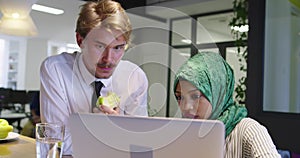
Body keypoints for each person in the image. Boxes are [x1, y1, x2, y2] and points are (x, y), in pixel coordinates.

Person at [39, 0, 148, 156]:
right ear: (80, 40)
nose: (109, 59)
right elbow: (54, 141)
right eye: (100, 46)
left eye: (118, 48)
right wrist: (113, 134)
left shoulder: (135, 78)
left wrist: (120, 130)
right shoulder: (56, 69)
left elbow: (141, 142)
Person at [173, 51, 281, 157]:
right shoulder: (183, 133)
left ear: (218, 93)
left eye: (195, 96)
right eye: (180, 97)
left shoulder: (247, 130)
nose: (186, 107)